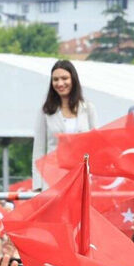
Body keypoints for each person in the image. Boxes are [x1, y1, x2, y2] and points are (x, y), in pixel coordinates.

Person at [33, 60, 97, 188]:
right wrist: (37, 185)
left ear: (73, 79)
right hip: (53, 179)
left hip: (81, 177)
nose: (60, 83)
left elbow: (95, 145)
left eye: (64, 78)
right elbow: (38, 150)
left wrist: (96, 178)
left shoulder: (87, 108)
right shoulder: (46, 111)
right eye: (55, 79)